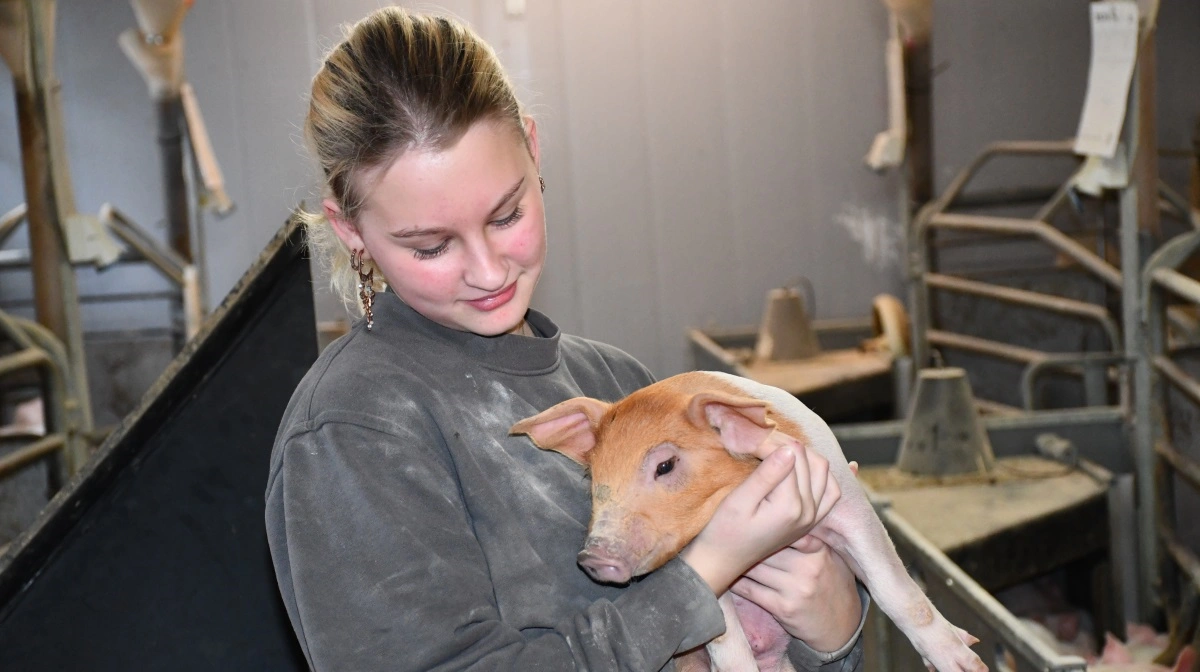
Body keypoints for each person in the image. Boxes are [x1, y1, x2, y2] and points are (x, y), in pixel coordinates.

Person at [265, 7, 868, 671]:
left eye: (506, 214)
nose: (488, 270)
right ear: (350, 230)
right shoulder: (355, 432)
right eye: (431, 245)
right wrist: (705, 573)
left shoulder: (617, 385)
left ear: (533, 147)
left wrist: (831, 620)